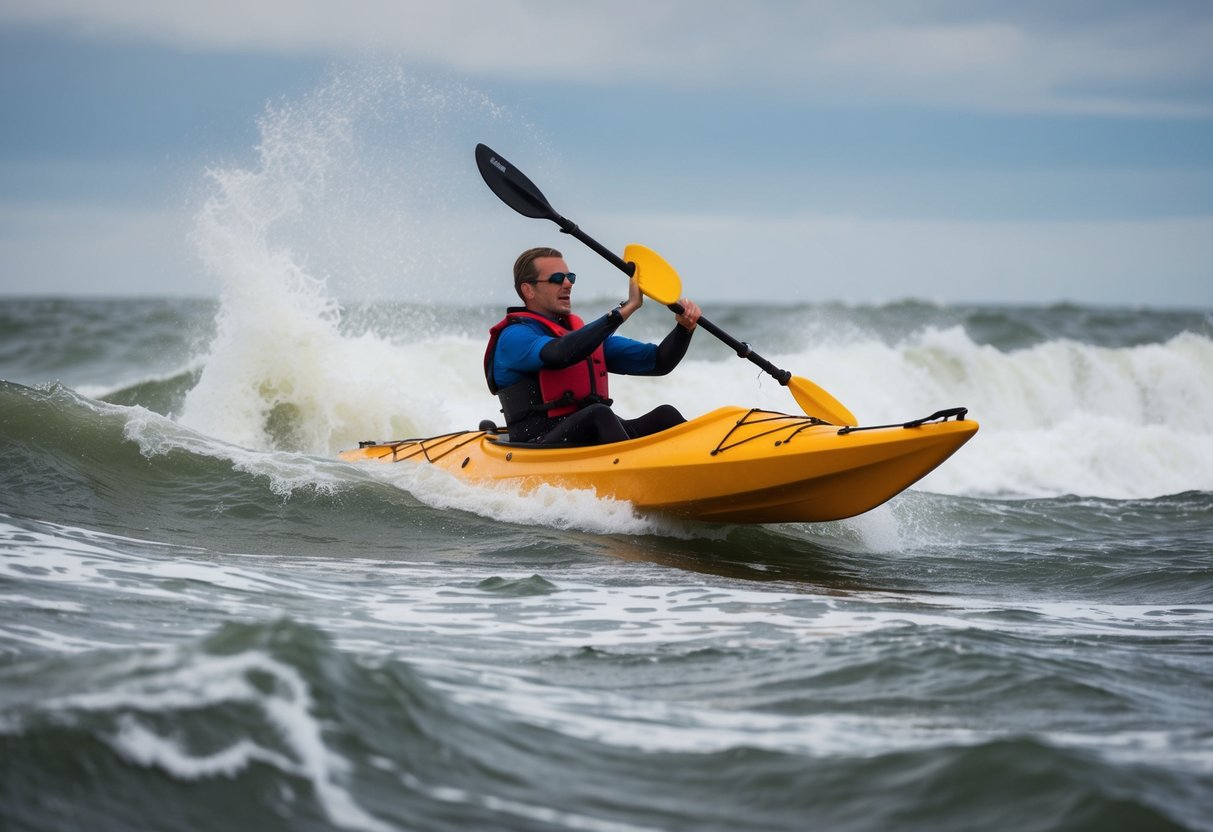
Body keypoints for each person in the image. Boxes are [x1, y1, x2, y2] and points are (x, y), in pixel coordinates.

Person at [484, 246, 702, 445]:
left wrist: (684, 329)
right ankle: (633, 474)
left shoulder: (582, 337)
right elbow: (559, 353)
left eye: (570, 277)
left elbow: (658, 362)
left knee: (665, 415)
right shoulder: (514, 337)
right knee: (599, 414)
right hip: (538, 444)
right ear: (528, 290)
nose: (568, 284)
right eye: (557, 278)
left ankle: (704, 464)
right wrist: (624, 310)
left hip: (591, 438)